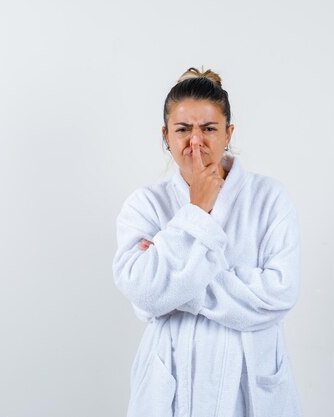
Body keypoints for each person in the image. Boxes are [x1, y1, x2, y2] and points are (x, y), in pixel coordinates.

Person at [112, 67, 303, 417]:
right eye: (183, 129)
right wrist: (197, 210)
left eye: (209, 129)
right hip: (172, 384)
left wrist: (174, 289)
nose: (195, 141)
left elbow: (278, 294)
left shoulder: (270, 197)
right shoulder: (145, 205)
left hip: (249, 383)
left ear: (228, 133)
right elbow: (141, 290)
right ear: (166, 135)